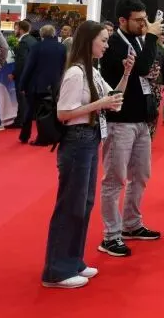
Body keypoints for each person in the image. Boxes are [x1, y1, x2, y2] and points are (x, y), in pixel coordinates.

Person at [41, 21, 127, 289]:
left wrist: (126, 74)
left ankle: (73, 261)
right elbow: (63, 113)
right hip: (77, 139)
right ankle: (57, 270)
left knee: (84, 203)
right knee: (71, 205)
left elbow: (113, 96)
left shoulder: (92, 70)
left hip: (90, 138)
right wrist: (100, 104)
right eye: (103, 40)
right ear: (89, 41)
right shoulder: (76, 73)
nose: (106, 45)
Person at [97, 0, 163, 257]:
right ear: (122, 20)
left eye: (145, 19)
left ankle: (131, 224)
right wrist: (152, 37)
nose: (144, 24)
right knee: (114, 180)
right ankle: (111, 235)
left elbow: (145, 71)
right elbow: (142, 67)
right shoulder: (114, 44)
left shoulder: (137, 40)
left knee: (141, 176)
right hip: (119, 121)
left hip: (141, 119)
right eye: (138, 20)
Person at [19, 25, 67, 145]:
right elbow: (64, 67)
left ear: (41, 34)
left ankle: (25, 136)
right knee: (51, 111)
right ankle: (51, 135)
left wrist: (22, 85)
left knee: (30, 110)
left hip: (36, 85)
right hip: (54, 85)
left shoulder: (36, 47)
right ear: (54, 33)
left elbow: (28, 67)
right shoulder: (62, 47)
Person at [12, 20, 38, 130]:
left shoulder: (23, 42)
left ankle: (20, 121)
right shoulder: (33, 40)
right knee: (26, 98)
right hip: (31, 73)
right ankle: (24, 119)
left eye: (16, 28)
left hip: (23, 75)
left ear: (21, 30)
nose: (14, 31)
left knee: (21, 98)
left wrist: (14, 73)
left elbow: (21, 61)